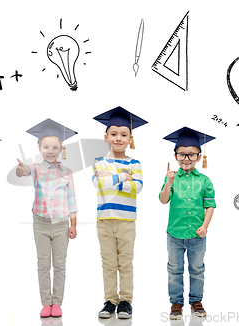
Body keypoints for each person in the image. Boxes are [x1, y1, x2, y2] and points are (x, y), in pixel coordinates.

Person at [16, 118, 78, 318]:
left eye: (54, 147)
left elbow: (72, 200)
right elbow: (23, 172)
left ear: (61, 148)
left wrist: (73, 225)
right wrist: (20, 169)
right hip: (40, 224)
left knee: (60, 264)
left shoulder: (67, 173)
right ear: (39, 147)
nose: (50, 151)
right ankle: (46, 303)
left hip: (61, 225)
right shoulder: (36, 169)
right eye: (46, 147)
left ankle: (57, 303)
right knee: (43, 263)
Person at [92, 106, 148, 319]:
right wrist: (124, 177)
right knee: (108, 263)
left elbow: (139, 187)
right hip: (104, 220)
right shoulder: (99, 161)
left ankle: (125, 301)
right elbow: (99, 184)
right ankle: (109, 301)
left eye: (123, 135)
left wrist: (112, 178)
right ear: (106, 136)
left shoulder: (135, 162)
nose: (118, 138)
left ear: (130, 138)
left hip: (126, 221)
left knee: (125, 262)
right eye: (114, 134)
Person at [159, 126, 216, 320]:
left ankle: (196, 301)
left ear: (199, 157)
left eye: (191, 155)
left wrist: (205, 226)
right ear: (175, 156)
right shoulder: (172, 178)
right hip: (175, 234)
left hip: (197, 235)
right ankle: (176, 303)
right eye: (182, 155)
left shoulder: (205, 181)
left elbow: (210, 206)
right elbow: (163, 200)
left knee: (197, 269)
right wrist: (168, 182)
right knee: (174, 269)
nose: (186, 159)